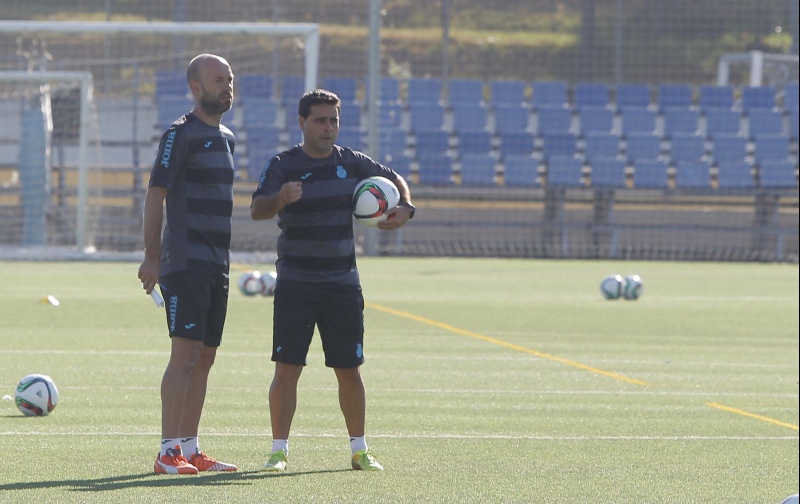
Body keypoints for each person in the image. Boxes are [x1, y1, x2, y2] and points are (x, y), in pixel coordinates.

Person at [251, 89, 416, 472]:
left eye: (334, 120)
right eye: (321, 120)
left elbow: (394, 179)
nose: (329, 128)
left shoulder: (352, 162)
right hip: (296, 281)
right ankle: (279, 450)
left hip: (342, 283)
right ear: (302, 123)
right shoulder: (283, 164)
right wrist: (281, 197)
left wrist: (406, 207)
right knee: (287, 368)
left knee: (349, 368)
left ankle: (359, 449)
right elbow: (257, 208)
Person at [138, 53, 238, 475]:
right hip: (185, 263)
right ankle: (166, 452)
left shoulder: (229, 137)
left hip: (217, 266)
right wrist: (151, 257)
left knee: (206, 357)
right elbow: (156, 194)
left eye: (230, 79)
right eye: (219, 79)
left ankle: (191, 448)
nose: (227, 86)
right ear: (196, 88)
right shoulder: (179, 135)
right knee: (184, 356)